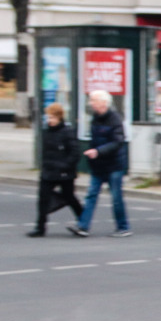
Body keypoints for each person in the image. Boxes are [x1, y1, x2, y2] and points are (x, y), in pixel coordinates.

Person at [70, 90, 130, 238]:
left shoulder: (115, 119)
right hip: (98, 164)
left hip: (114, 165)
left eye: (93, 101)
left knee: (116, 198)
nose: (91, 104)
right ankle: (83, 226)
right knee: (91, 195)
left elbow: (117, 142)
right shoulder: (95, 118)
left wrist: (98, 151)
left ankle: (123, 227)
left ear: (103, 103)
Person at [27, 103, 82, 236]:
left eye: (52, 117)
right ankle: (40, 227)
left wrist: (65, 166)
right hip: (48, 171)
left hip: (64, 173)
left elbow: (75, 152)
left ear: (59, 117)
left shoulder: (67, 132)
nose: (49, 120)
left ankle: (83, 220)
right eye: (48, 117)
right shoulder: (46, 132)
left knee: (70, 197)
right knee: (43, 199)